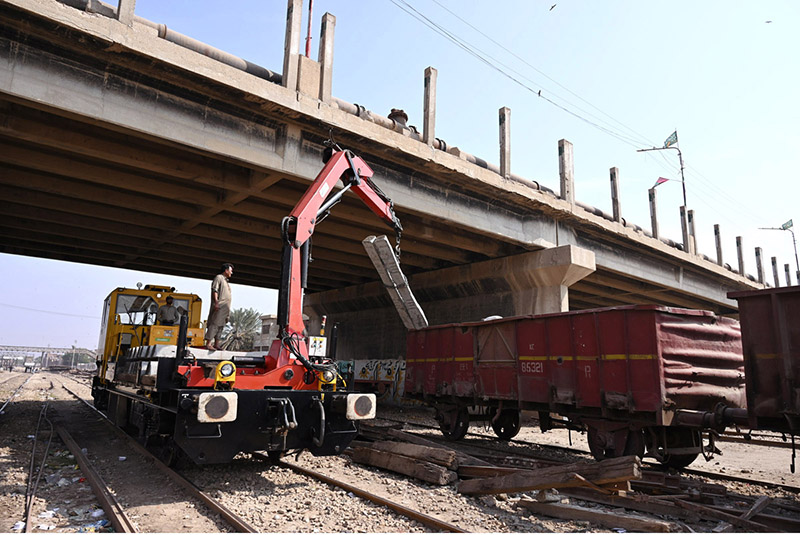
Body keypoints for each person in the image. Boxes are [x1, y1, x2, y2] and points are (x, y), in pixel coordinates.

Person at [205, 263, 234, 350]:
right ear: (226, 270)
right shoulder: (219, 278)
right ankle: (209, 343)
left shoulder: (225, 281)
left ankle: (217, 344)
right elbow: (215, 290)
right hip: (220, 305)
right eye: (231, 271)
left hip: (225, 308)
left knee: (221, 325)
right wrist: (216, 302)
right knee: (215, 324)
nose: (231, 273)